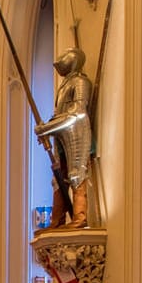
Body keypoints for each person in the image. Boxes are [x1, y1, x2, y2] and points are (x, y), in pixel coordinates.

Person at [35, 48, 94, 227]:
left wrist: (47, 128)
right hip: (62, 134)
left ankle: (80, 216)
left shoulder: (80, 82)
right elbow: (59, 113)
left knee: (76, 173)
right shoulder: (65, 85)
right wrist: (48, 129)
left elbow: (77, 112)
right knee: (59, 177)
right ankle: (57, 220)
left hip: (77, 131)